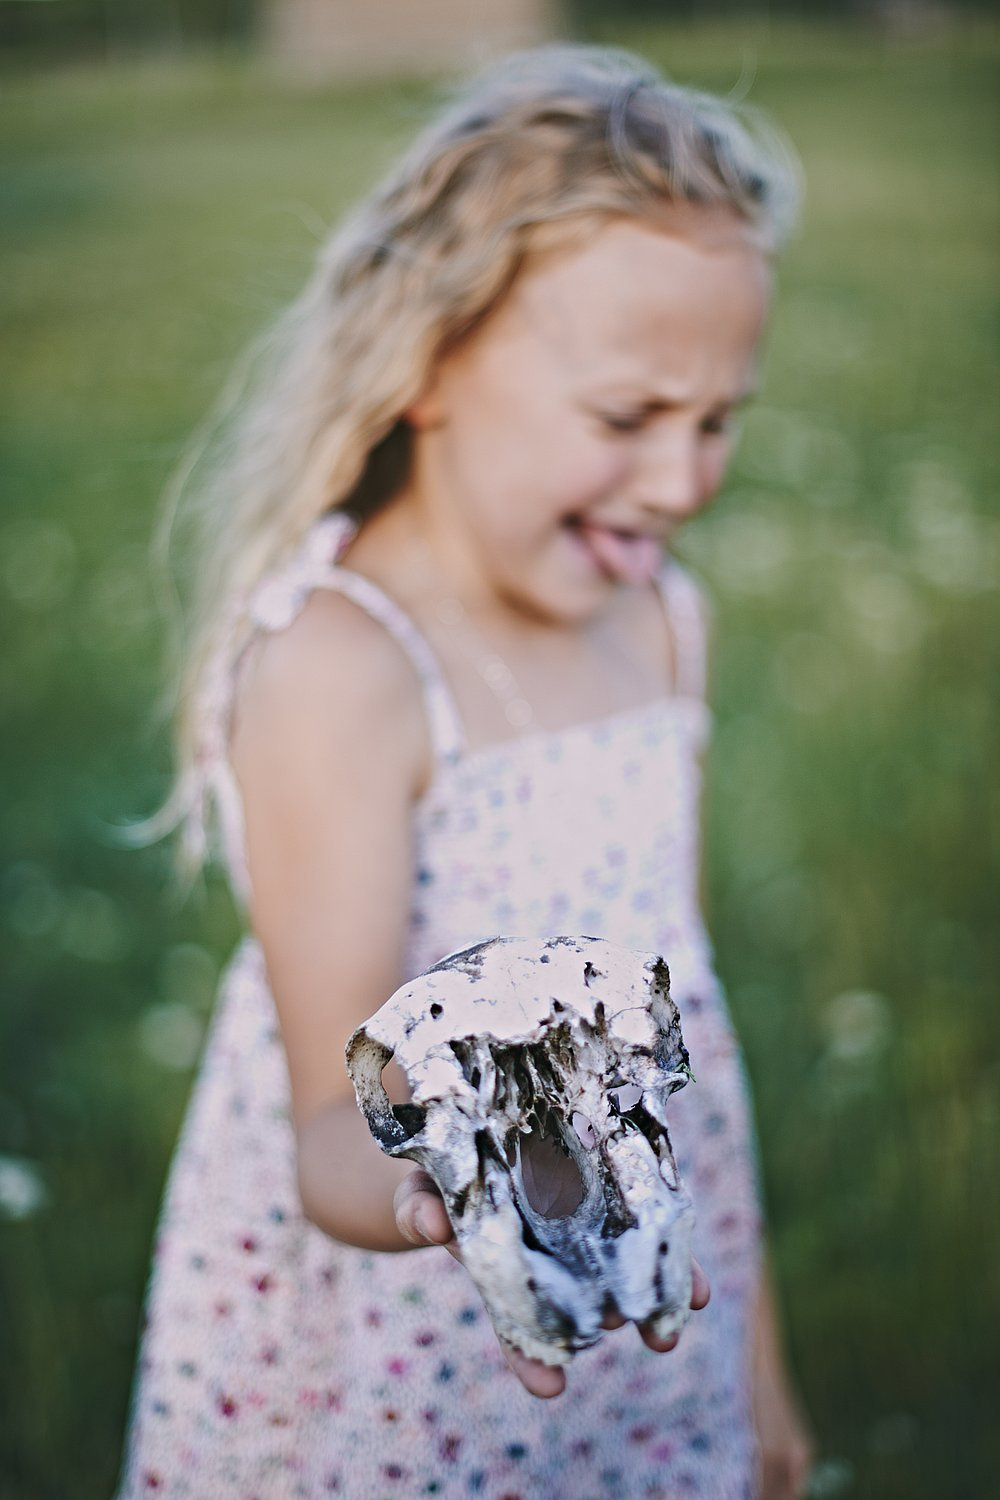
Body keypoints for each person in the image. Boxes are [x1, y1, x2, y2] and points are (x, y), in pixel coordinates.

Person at [118, 43, 814, 1500]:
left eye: (717, 419)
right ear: (428, 367)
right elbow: (325, 1122)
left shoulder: (665, 622)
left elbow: (692, 1021)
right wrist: (449, 1191)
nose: (684, 483)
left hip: (647, 1308)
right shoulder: (343, 672)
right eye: (629, 419)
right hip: (407, 1369)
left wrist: (757, 1362)